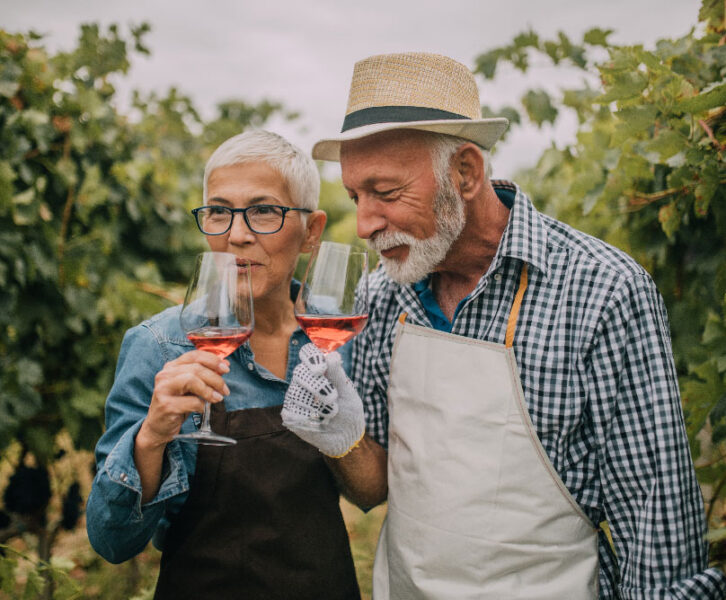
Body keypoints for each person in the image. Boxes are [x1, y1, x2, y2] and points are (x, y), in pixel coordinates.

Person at [281, 52, 726, 598]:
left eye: (387, 193)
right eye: (355, 197)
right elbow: (373, 490)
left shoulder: (602, 291)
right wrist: (339, 433)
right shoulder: (379, 292)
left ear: (466, 171)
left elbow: (655, 525)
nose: (366, 223)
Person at [86, 130, 361, 600]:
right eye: (218, 211)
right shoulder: (160, 346)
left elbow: (369, 493)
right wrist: (151, 437)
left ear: (312, 231)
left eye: (263, 211)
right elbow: (112, 540)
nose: (236, 235)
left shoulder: (341, 339)